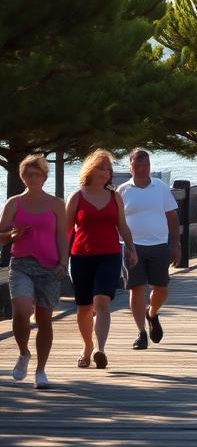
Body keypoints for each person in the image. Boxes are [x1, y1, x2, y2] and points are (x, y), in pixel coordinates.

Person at [0, 155, 68, 388]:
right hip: (21, 264)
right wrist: (11, 236)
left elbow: (62, 235)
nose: (33, 178)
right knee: (20, 310)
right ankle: (23, 353)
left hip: (50, 266)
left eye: (37, 174)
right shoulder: (14, 203)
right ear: (22, 177)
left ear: (44, 177)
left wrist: (63, 262)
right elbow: (1, 235)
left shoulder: (57, 204)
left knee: (44, 319)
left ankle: (41, 371)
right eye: (28, 174)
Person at [66, 149, 138, 369]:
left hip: (109, 255)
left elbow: (122, 226)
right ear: (91, 169)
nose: (106, 172)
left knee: (102, 302)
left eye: (108, 169)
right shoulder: (77, 197)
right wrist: (60, 258)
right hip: (81, 257)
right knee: (84, 308)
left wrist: (132, 249)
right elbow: (66, 230)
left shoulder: (114, 196)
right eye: (102, 168)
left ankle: (100, 349)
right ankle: (87, 347)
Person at [117, 149, 180, 350]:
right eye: (138, 166)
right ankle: (141, 333)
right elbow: (116, 221)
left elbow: (172, 217)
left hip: (159, 245)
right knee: (136, 289)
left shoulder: (160, 188)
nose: (143, 170)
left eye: (146, 166)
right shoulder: (122, 191)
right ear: (130, 167)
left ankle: (151, 313)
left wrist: (175, 244)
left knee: (161, 288)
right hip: (132, 247)